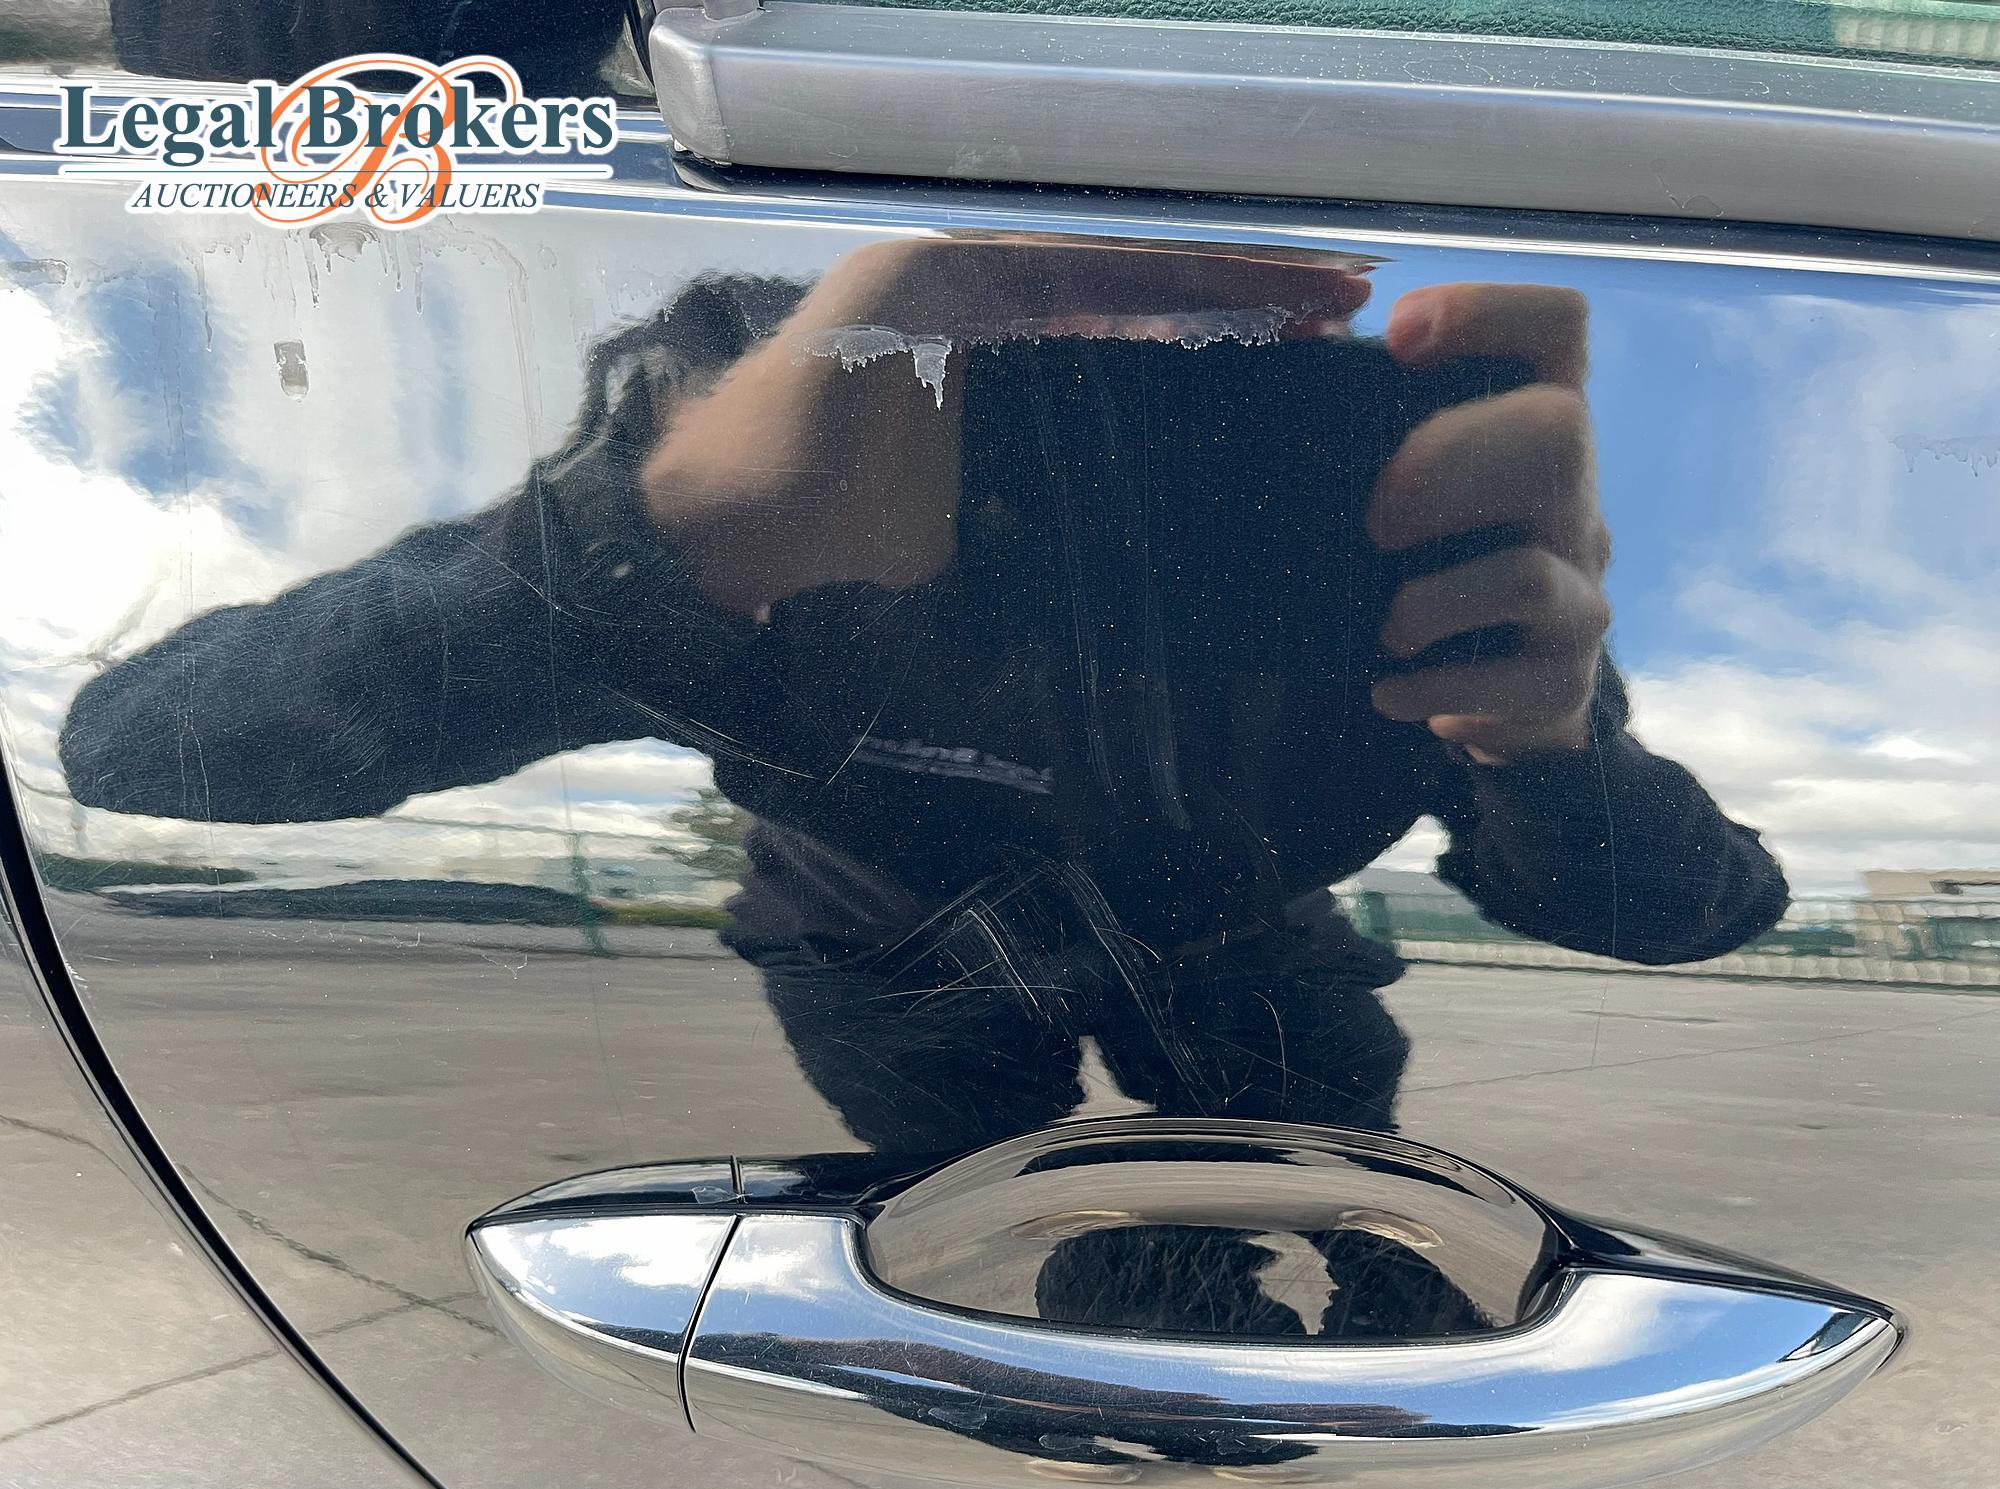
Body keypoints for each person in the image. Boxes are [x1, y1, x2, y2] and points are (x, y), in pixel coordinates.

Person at [60, 238, 1788, 1338]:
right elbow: (140, 746)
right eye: (1049, 343)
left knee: (1363, 1218)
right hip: (883, 958)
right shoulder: (758, 454)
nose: (1123, 413)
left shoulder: (1398, 546)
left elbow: (1699, 911)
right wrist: (659, 543)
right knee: (1007, 1242)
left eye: (1230, 382)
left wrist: (1548, 751)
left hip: (1237, 958)